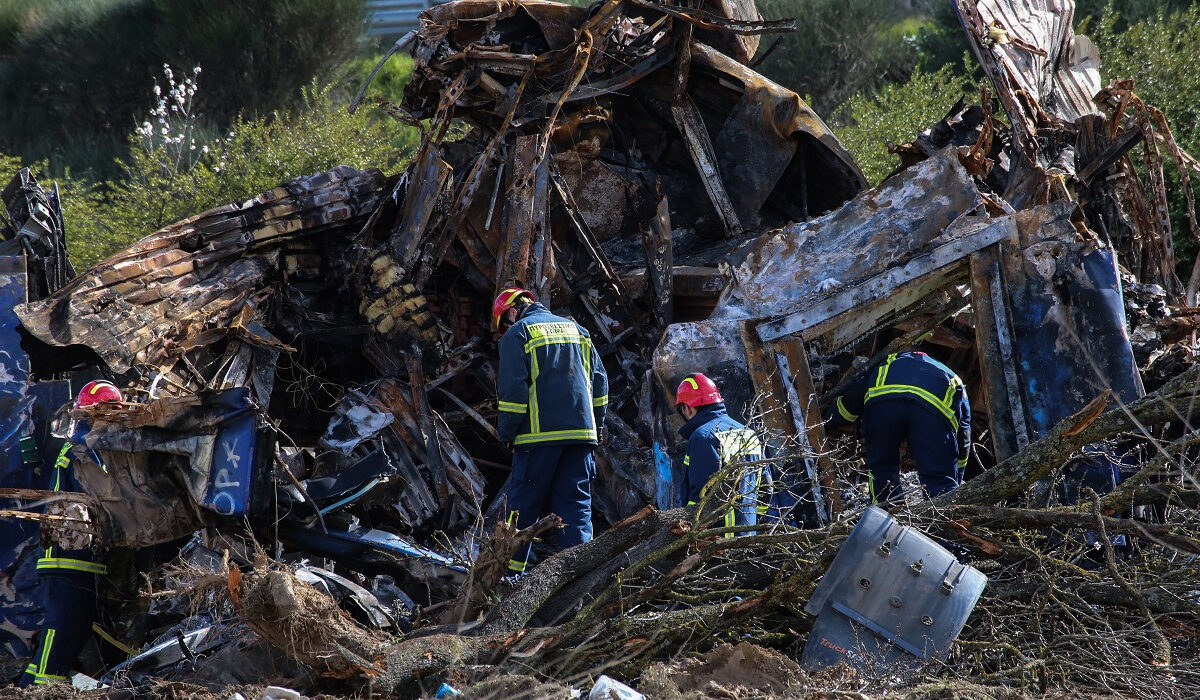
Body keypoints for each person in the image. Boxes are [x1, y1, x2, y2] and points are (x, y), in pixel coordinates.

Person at [493, 288, 608, 574]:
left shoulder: (517, 334)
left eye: (503, 324)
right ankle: (579, 580)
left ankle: (508, 579)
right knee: (576, 509)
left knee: (521, 511)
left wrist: (507, 434)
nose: (505, 330)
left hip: (536, 440)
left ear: (511, 311)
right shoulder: (578, 331)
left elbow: (513, 394)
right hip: (582, 439)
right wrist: (597, 428)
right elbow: (601, 387)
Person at [18, 380, 121, 686]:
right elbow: (106, 492)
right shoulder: (85, 447)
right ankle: (34, 690)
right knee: (60, 633)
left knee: (68, 634)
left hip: (72, 560)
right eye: (112, 411)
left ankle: (32, 685)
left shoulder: (78, 443)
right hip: (68, 559)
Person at [825, 351, 970, 502]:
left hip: (883, 409)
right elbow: (964, 435)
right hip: (931, 415)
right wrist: (957, 476)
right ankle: (942, 521)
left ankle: (886, 517)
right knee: (939, 481)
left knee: (881, 469)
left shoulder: (886, 363)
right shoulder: (952, 377)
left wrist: (827, 416)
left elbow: (849, 406)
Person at [674, 373, 767, 534]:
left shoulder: (703, 438)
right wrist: (750, 524)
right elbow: (767, 487)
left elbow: (700, 497)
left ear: (687, 408)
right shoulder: (748, 433)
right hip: (748, 537)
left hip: (716, 543)